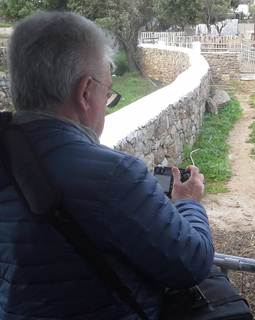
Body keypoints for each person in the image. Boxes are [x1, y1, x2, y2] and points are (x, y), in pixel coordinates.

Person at [0, 11, 214, 319]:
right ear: (86, 92)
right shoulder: (114, 175)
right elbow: (191, 265)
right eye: (108, 92)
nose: (106, 103)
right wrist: (188, 202)